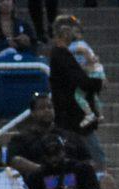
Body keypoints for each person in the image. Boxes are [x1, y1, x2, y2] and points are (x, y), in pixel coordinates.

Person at [49, 16, 104, 156]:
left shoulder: (67, 53)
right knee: (96, 157)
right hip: (72, 120)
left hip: (75, 119)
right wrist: (97, 82)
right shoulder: (61, 55)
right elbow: (83, 82)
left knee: (94, 156)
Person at [7, 93, 92, 179]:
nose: (47, 110)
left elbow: (88, 160)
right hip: (38, 184)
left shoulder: (70, 135)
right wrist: (45, 170)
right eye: (42, 108)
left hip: (72, 181)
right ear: (32, 113)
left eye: (50, 107)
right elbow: (14, 160)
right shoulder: (21, 139)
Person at [26, 134, 102, 189]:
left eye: (57, 153)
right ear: (43, 156)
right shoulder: (37, 175)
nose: (53, 159)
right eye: (49, 155)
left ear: (63, 151)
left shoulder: (82, 169)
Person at [64, 15, 105, 129]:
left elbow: (89, 55)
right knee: (93, 95)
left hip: (89, 73)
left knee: (79, 95)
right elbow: (94, 57)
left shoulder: (78, 45)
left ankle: (90, 114)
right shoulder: (80, 44)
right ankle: (100, 115)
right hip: (92, 73)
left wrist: (87, 63)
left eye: (77, 32)